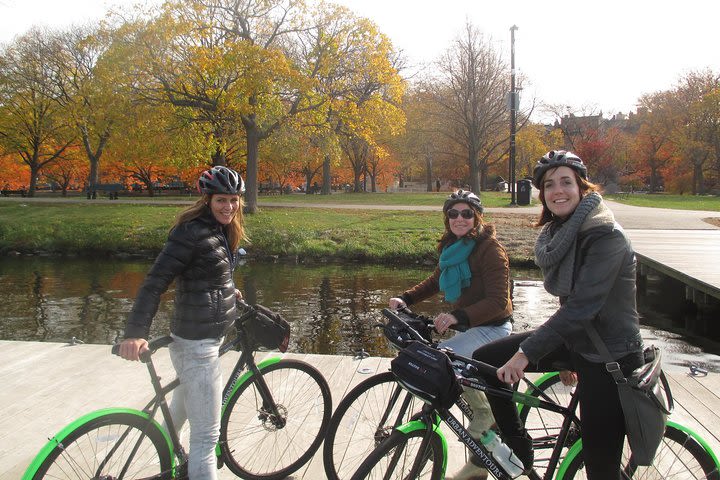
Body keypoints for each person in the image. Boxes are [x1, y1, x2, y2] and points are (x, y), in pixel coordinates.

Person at [471, 150, 644, 479]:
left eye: (566, 182)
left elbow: (581, 308)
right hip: (580, 342)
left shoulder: (606, 236)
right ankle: (519, 448)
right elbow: (572, 307)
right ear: (543, 194)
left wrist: (525, 354)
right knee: (487, 361)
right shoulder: (564, 233)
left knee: (601, 468)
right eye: (549, 185)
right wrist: (563, 357)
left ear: (582, 188)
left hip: (610, 357)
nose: (558, 190)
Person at [119, 165, 247, 480]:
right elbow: (154, 282)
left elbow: (206, 275)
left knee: (178, 414)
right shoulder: (190, 233)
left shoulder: (217, 230)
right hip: (198, 346)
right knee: (205, 439)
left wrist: (230, 290)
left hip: (198, 341)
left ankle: (165, 467)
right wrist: (135, 333)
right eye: (221, 200)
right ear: (207, 200)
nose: (228, 207)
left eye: (233, 200)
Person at [388, 189, 514, 480]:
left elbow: (498, 302)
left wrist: (457, 316)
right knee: (445, 366)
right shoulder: (453, 247)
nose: (460, 218)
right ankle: (477, 436)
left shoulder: (490, 250)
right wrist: (406, 298)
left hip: (494, 327)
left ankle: (484, 414)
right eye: (453, 213)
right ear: (447, 218)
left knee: (449, 361)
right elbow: (436, 280)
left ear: (476, 217)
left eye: (466, 213)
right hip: (470, 326)